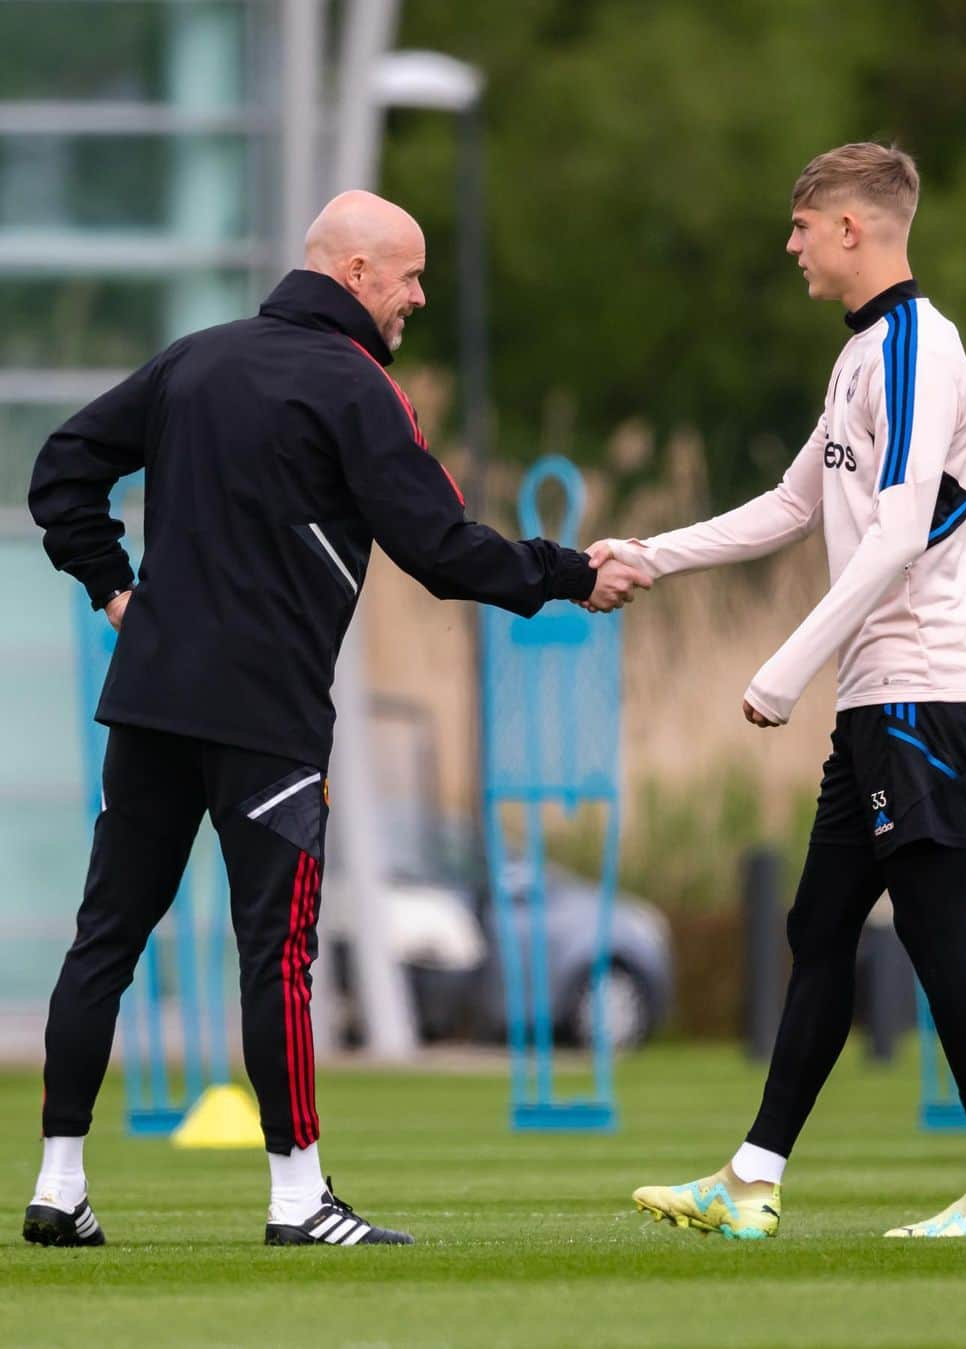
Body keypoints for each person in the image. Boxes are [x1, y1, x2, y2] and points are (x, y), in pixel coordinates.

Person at [24, 189, 650, 1250]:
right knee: (279, 953)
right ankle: (296, 1197)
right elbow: (443, 550)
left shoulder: (194, 360)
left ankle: (58, 1183)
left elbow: (62, 470)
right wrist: (571, 573)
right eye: (406, 277)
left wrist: (114, 589)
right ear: (354, 274)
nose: (414, 299)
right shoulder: (357, 391)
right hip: (267, 719)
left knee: (106, 938)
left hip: (150, 703)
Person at [591, 143, 966, 1240]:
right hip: (876, 695)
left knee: (938, 927)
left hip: (918, 691)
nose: (790, 243)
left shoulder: (916, 348)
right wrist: (650, 552)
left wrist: (781, 670)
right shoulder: (858, 362)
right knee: (820, 922)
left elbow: (895, 534)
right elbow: (791, 505)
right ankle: (751, 1180)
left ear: (854, 228)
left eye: (803, 224)